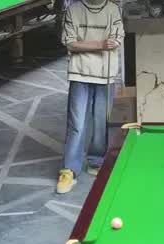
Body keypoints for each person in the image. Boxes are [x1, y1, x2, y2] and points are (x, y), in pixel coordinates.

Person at [56, 0, 124, 194]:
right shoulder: (74, 10)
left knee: (101, 122)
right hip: (79, 73)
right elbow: (69, 42)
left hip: (105, 74)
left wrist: (113, 42)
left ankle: (97, 161)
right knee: (76, 124)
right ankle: (69, 169)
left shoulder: (113, 10)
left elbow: (118, 37)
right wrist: (100, 44)